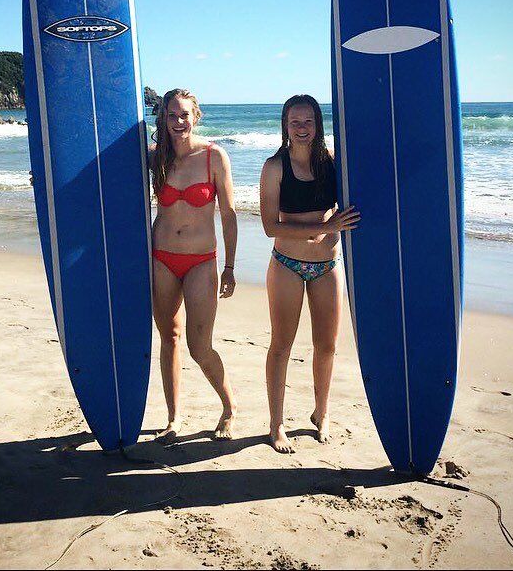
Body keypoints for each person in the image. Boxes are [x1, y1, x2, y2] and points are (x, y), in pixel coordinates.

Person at [259, 94, 360, 453]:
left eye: (308, 121)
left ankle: (322, 412)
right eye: (295, 122)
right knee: (281, 345)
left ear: (318, 124)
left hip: (327, 266)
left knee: (327, 346)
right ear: (285, 126)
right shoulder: (275, 167)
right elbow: (270, 226)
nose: (302, 128)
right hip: (287, 264)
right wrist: (324, 227)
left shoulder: (332, 164)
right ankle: (276, 425)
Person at [150, 88, 238, 442]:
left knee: (200, 345)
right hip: (161, 258)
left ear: (195, 116)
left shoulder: (214, 156)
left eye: (184, 114)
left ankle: (229, 407)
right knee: (168, 338)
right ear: (164, 118)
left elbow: (229, 215)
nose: (178, 122)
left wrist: (230, 266)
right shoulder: (155, 157)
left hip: (201, 261)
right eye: (171, 115)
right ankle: (174, 418)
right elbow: (103, 180)